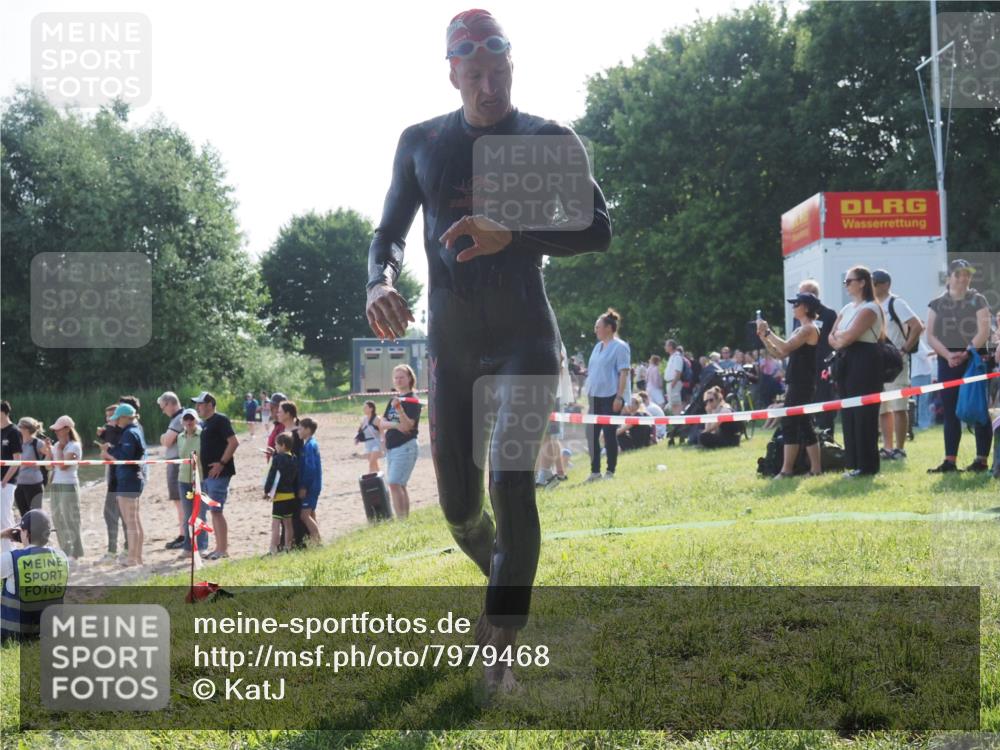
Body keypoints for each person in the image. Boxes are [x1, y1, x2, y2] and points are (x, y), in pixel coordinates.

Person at [363, 7, 611, 694]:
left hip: (527, 339)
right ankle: (504, 577)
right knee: (461, 511)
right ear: (452, 74)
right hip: (455, 347)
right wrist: (378, 283)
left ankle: (500, 642)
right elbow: (385, 235)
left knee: (510, 480)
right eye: (473, 74)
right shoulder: (422, 143)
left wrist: (518, 235)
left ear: (512, 68)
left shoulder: (540, 137)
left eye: (498, 72)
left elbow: (598, 230)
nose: (487, 87)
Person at [925, 259, 994, 473]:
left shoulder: (978, 299)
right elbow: (930, 335)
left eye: (967, 274)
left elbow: (984, 330)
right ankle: (949, 461)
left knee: (978, 409)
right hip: (948, 363)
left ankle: (981, 460)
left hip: (975, 361)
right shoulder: (936, 303)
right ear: (949, 278)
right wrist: (947, 355)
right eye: (958, 274)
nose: (963, 278)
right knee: (950, 412)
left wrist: (966, 352)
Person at [757, 294, 822, 478]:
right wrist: (764, 338)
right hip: (797, 382)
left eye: (797, 304)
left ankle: (787, 470)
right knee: (803, 424)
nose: (793, 307)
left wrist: (768, 332)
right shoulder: (799, 330)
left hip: (803, 383)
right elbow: (779, 354)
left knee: (791, 423)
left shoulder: (808, 329)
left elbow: (784, 348)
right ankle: (815, 470)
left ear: (807, 308)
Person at [829, 266, 884, 477]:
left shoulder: (870, 308)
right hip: (846, 360)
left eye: (849, 281)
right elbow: (832, 337)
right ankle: (854, 463)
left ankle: (868, 465)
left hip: (865, 361)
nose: (846, 285)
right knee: (849, 412)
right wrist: (840, 338)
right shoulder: (846, 309)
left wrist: (841, 337)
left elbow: (850, 336)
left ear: (862, 282)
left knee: (864, 414)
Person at [872, 270, 924, 460]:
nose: (872, 286)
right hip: (878, 362)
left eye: (875, 283)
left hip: (895, 362)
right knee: (882, 407)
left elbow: (918, 325)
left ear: (885, 284)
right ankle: (887, 448)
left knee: (899, 406)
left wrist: (903, 349)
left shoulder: (896, 303)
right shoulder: (872, 305)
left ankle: (900, 448)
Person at [1, 510, 69, 643]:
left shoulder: (11, 558)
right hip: (48, 632)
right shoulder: (62, 557)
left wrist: (2, 535)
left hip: (14, 634)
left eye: (21, 531)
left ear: (25, 533)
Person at [193, 392, 239, 559]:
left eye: (200, 404)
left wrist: (221, 463)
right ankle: (219, 548)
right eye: (196, 404)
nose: (197, 407)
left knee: (216, 511)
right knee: (214, 511)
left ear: (210, 404)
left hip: (219, 473)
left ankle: (222, 549)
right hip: (209, 474)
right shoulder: (206, 423)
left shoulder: (220, 420)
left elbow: (234, 442)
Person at [586, 309, 630, 481]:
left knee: (609, 434)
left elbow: (623, 373)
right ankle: (595, 472)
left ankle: (610, 471)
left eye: (598, 327)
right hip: (594, 396)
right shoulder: (597, 347)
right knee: (591, 434)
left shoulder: (620, 347)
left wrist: (619, 397)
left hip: (611, 396)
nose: (595, 330)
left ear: (609, 328)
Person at [100, 403, 146, 566]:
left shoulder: (129, 433)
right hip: (132, 478)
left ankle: (132, 558)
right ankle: (137, 557)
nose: (116, 422)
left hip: (128, 479)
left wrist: (107, 453)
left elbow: (124, 458)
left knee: (130, 521)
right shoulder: (135, 430)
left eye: (117, 418)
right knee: (134, 520)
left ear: (125, 418)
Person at [796, 279, 839, 434]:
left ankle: (827, 438)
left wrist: (829, 365)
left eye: (800, 296)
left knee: (824, 402)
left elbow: (834, 341)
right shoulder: (800, 316)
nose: (797, 301)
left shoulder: (829, 314)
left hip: (822, 367)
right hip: (805, 367)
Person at [381, 365, 421, 518]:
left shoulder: (412, 400)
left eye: (401, 377)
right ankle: (404, 519)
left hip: (405, 446)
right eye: (396, 377)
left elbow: (408, 426)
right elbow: (382, 423)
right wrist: (396, 425)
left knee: (394, 483)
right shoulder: (394, 399)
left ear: (410, 378)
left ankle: (402, 519)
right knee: (398, 484)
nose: (398, 380)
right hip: (392, 448)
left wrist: (399, 410)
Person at [536, 342, 574, 487]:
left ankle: (546, 473)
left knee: (547, 436)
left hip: (550, 394)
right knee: (548, 436)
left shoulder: (552, 338)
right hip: (544, 393)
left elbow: (559, 362)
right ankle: (558, 472)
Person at [48, 416, 84, 560]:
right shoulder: (57, 445)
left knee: (71, 518)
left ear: (67, 429)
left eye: (58, 429)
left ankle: (76, 552)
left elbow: (64, 466)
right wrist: (50, 451)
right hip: (56, 484)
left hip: (69, 484)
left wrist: (59, 450)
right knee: (57, 517)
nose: (56, 431)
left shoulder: (74, 445)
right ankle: (65, 549)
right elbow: (50, 465)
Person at [96, 403, 128, 562]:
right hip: (112, 479)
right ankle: (113, 550)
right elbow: (107, 445)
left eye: (112, 416)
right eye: (107, 417)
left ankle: (125, 548)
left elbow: (117, 453)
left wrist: (106, 452)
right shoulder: (108, 430)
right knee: (110, 515)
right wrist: (102, 437)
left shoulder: (124, 432)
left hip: (122, 479)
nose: (108, 419)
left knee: (123, 515)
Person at [157, 391, 187, 551]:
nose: (163, 411)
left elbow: (167, 441)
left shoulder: (177, 419)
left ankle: (184, 535)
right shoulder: (179, 418)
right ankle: (183, 534)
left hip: (176, 463)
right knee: (178, 501)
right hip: (176, 462)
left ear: (170, 403)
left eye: (163, 407)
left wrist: (164, 438)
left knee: (179, 500)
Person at [175, 409, 206, 557]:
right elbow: (182, 455)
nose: (189, 422)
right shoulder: (180, 437)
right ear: (182, 421)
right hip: (183, 479)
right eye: (186, 419)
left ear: (196, 420)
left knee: (200, 514)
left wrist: (190, 437)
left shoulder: (203, 434)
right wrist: (187, 437)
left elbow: (198, 454)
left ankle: (202, 546)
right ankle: (188, 547)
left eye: (191, 419)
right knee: (188, 515)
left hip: (200, 478)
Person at [264, 433, 299, 554]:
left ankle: (273, 549)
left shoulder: (277, 459)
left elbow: (272, 476)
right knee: (288, 523)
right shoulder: (294, 458)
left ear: (283, 445)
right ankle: (288, 547)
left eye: (276, 445)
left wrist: (267, 490)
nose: (275, 447)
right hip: (290, 495)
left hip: (279, 497)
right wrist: (275, 453)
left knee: (276, 525)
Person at [13, 418, 49, 518]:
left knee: (36, 515)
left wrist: (49, 449)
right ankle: (27, 534)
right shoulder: (17, 443)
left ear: (27, 429)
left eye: (19, 426)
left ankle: (39, 533)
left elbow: (51, 456)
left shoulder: (37, 443)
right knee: (23, 515)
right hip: (18, 485)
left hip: (34, 484)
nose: (17, 428)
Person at [0, 402, 22, 565]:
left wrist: (4, 480)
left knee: (5, 517)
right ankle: (5, 552)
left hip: (7, 482)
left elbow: (17, 461)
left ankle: (11, 553)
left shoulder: (13, 431)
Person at [297, 417, 322, 545]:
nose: (298, 431)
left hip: (311, 486)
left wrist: (304, 486)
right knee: (311, 513)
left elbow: (310, 468)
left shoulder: (309, 446)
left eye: (300, 428)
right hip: (315, 485)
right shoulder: (311, 443)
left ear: (307, 429)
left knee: (304, 515)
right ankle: (316, 541)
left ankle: (318, 543)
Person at [910, 336, 936, 431]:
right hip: (918, 374)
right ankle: (921, 423)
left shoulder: (919, 340)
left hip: (925, 373)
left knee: (925, 400)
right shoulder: (914, 340)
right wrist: (939, 350)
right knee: (920, 400)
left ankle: (925, 421)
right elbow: (924, 354)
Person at [355, 401, 384, 474]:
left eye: (365, 407)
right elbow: (360, 430)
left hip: (376, 443)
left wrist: (383, 442)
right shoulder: (364, 419)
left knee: (371, 462)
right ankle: (381, 478)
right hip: (368, 444)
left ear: (371, 409)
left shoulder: (377, 419)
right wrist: (357, 438)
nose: (363, 409)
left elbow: (382, 431)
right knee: (374, 464)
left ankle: (370, 478)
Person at [664, 341, 685, 415]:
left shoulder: (677, 357)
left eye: (666, 345)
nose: (665, 347)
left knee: (675, 404)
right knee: (672, 404)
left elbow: (678, 372)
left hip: (674, 383)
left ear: (671, 346)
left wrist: (672, 385)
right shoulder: (672, 357)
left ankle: (677, 423)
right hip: (670, 383)